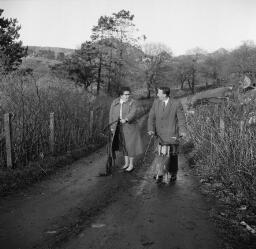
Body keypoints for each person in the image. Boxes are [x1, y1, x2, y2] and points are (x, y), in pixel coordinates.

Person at [148, 86, 187, 183]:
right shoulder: (156, 102)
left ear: (164, 94)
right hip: (159, 134)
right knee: (159, 154)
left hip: (172, 133)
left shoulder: (176, 103)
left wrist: (182, 131)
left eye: (159, 93)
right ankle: (160, 173)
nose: (157, 95)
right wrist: (151, 129)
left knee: (173, 155)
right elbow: (151, 117)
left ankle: (173, 173)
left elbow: (181, 119)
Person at [109, 87, 144, 172]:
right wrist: (112, 127)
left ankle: (131, 165)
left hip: (130, 127)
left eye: (129, 94)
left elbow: (133, 112)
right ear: (121, 95)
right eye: (126, 94)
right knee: (123, 145)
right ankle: (126, 163)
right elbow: (111, 114)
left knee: (130, 146)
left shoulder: (132, 102)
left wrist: (126, 119)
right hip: (119, 127)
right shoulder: (115, 102)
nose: (128, 96)